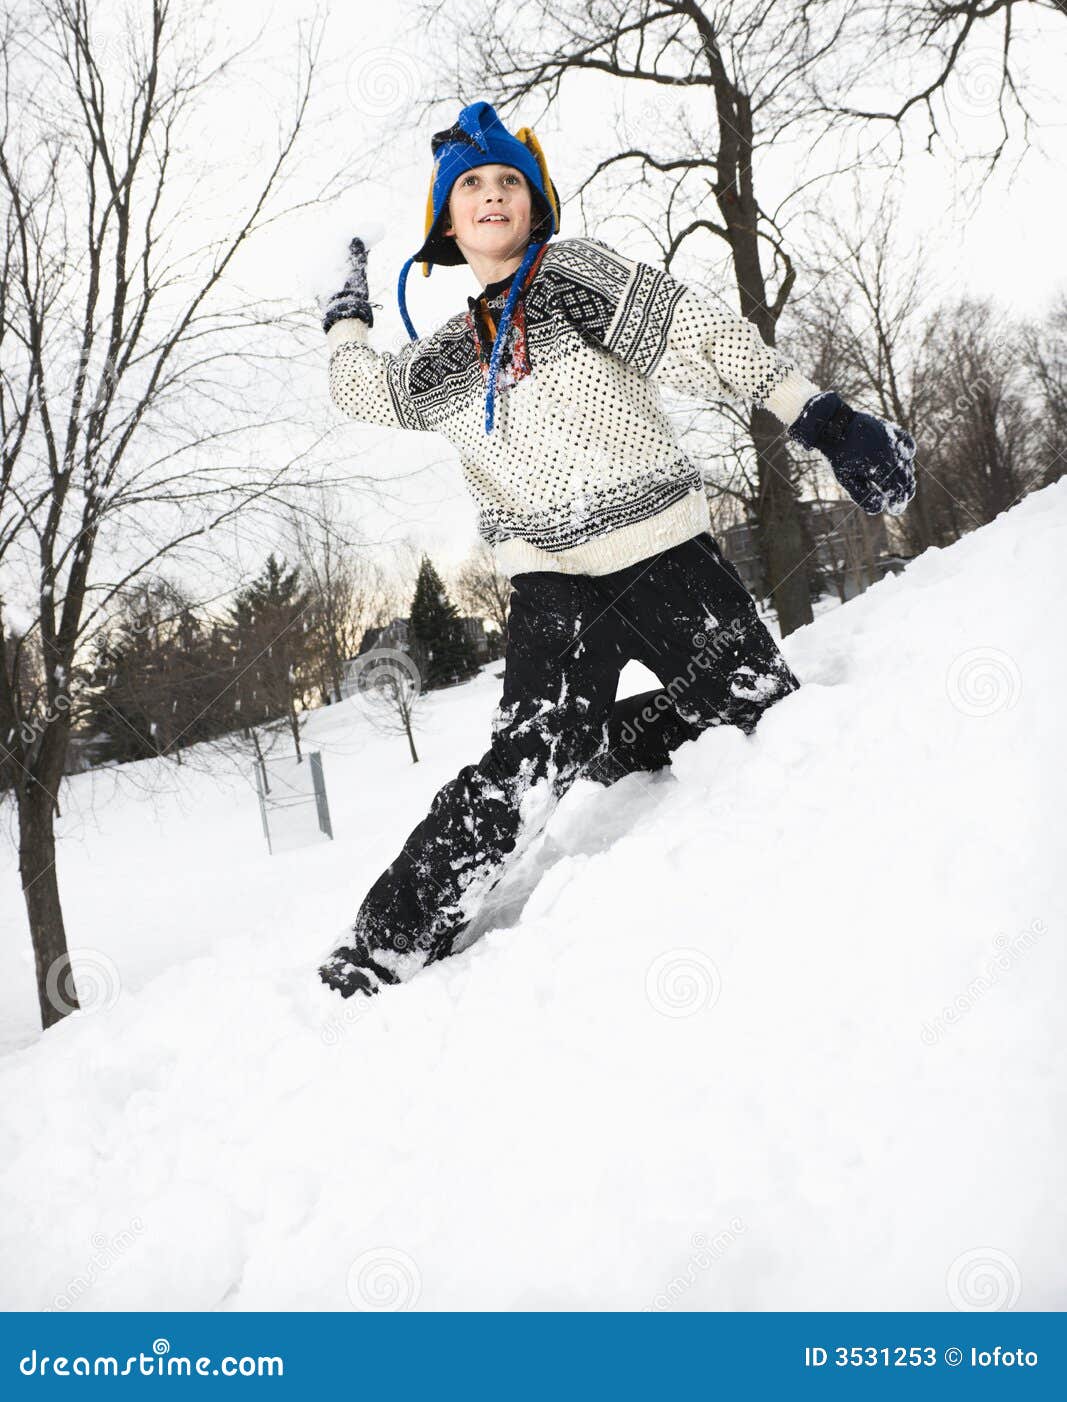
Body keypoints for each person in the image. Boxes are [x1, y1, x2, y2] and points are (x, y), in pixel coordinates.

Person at [317, 100, 917, 998]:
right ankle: (384, 945)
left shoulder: (576, 279)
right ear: (445, 220)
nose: (490, 197)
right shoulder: (444, 359)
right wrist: (344, 312)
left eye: (507, 181)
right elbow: (364, 391)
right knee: (524, 764)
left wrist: (818, 415)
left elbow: (699, 334)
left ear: (534, 202)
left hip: (664, 558)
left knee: (763, 715)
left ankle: (627, 734)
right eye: (470, 186)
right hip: (550, 589)